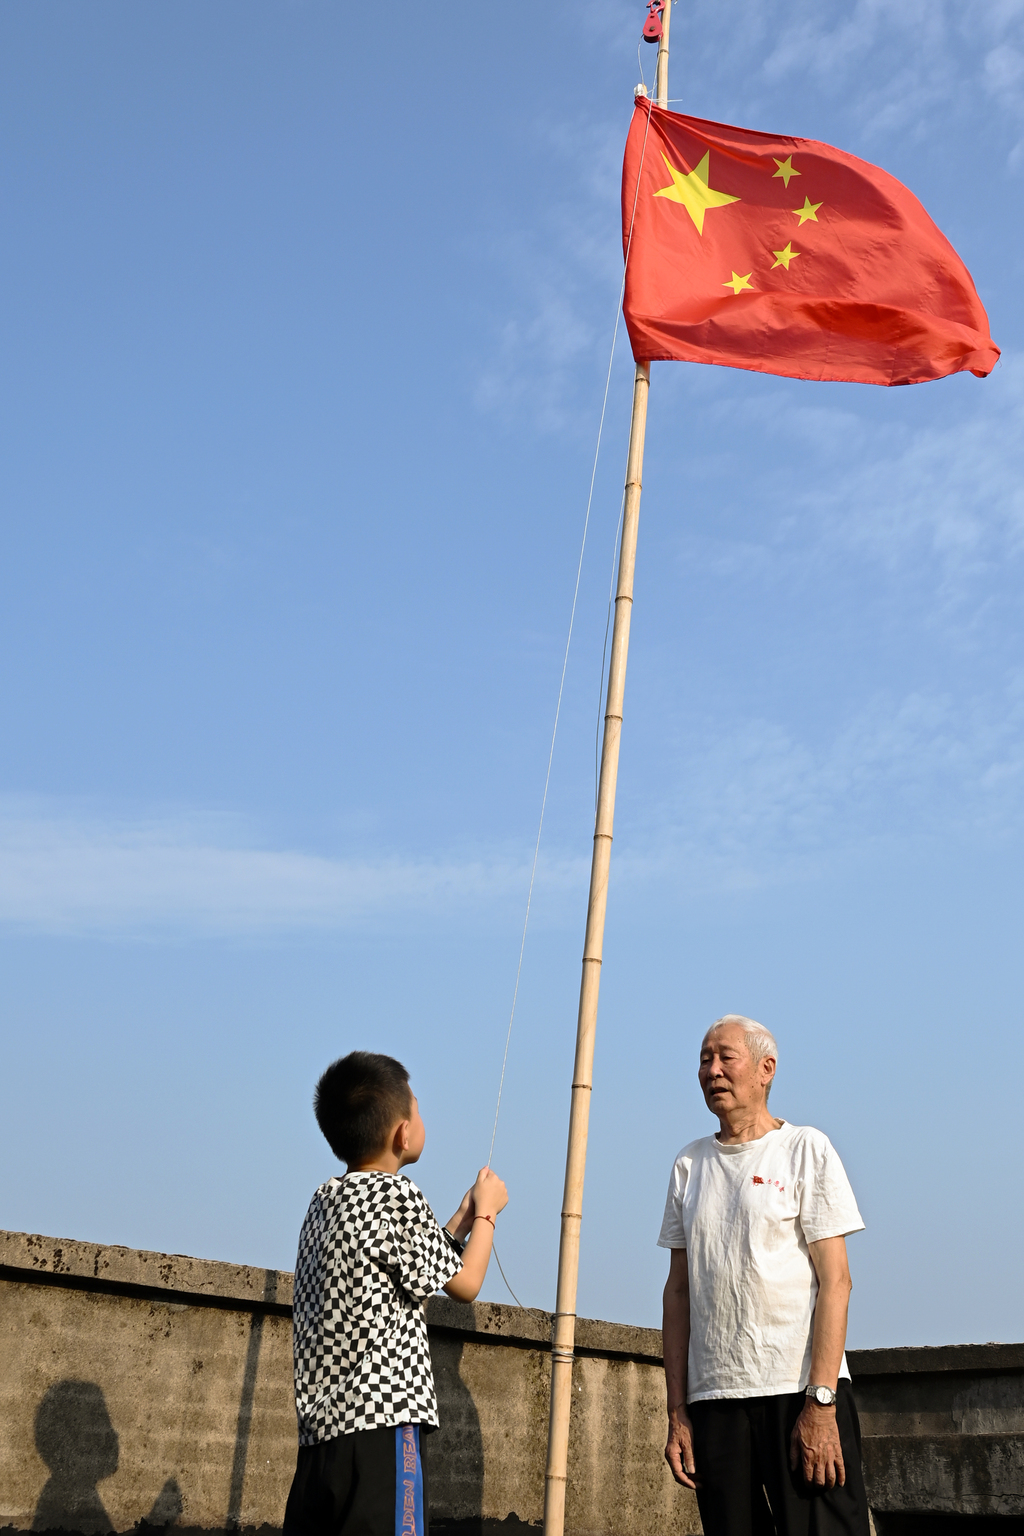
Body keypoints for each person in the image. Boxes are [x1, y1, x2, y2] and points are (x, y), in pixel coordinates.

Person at [659, 1015, 870, 1536]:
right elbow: (678, 1291)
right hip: (715, 1399)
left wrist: (821, 1403)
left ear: (766, 1068)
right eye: (704, 1059)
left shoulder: (805, 1149)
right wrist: (677, 1411)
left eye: (725, 1056)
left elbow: (836, 1281)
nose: (712, 1070)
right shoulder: (689, 1165)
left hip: (798, 1389)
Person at [283, 1050, 508, 1536]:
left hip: (321, 1442)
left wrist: (459, 1220)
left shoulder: (324, 1201)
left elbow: (408, 1265)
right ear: (402, 1133)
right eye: (418, 1110)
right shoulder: (398, 1196)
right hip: (384, 1430)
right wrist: (487, 1214)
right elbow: (465, 1284)